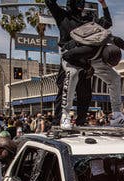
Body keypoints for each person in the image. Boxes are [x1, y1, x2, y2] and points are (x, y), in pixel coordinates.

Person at [46, 0, 113, 129]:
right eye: (77, 2)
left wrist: (103, 4)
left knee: (85, 94)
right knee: (64, 90)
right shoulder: (63, 16)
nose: (80, 5)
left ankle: (81, 121)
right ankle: (58, 121)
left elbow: (107, 23)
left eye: (82, 2)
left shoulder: (88, 20)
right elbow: (50, 2)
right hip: (69, 59)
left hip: (84, 62)